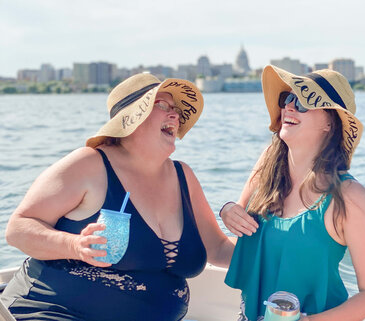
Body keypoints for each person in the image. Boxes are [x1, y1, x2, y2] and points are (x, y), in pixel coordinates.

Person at [2, 73, 234, 321]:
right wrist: (75, 246)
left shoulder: (183, 176)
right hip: (50, 312)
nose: (175, 115)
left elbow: (217, 248)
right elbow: (18, 229)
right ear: (132, 117)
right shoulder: (89, 164)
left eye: (176, 109)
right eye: (163, 105)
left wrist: (274, 242)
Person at [220, 65, 365, 321]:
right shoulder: (266, 168)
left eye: (302, 102)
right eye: (287, 99)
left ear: (330, 123)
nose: (289, 106)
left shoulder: (350, 196)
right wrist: (228, 210)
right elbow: (232, 244)